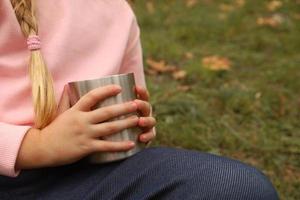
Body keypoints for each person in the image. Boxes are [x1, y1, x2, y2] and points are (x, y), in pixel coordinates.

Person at [0, 0, 279, 199]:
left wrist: (137, 126)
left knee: (240, 187)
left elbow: (133, 99)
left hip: (86, 174)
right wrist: (38, 145)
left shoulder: (117, 12)